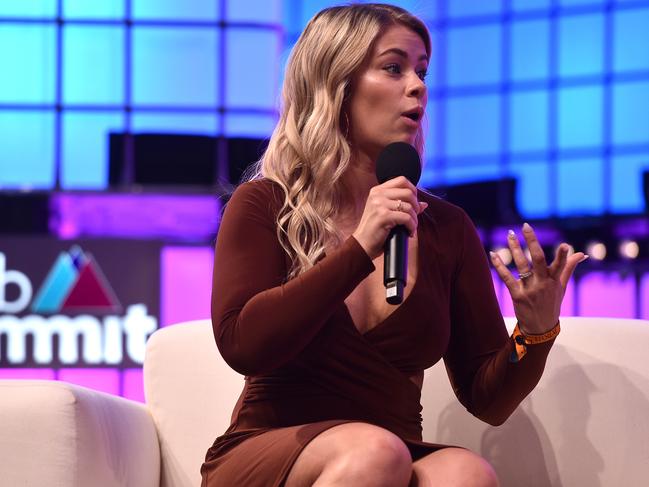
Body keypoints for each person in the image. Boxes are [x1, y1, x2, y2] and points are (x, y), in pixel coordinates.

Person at [200, 4, 587, 486]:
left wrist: (534, 333)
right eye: (393, 67)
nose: (418, 85)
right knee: (374, 452)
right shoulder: (265, 204)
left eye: (422, 70)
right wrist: (360, 247)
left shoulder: (445, 227)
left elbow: (488, 399)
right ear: (335, 83)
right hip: (278, 445)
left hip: (393, 447)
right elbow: (242, 345)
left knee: (467, 472)